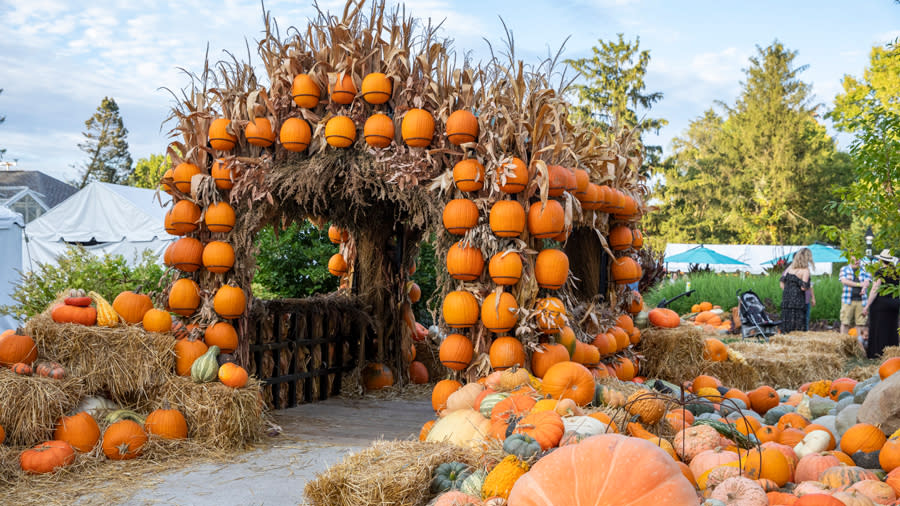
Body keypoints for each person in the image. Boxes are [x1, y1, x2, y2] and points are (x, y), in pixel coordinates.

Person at [863, 249, 900, 359]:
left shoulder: (880, 272)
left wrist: (867, 305)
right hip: (895, 303)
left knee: (878, 328)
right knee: (892, 328)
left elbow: (875, 289)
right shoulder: (897, 273)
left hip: (881, 304)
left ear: (880, 260)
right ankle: (891, 353)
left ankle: (877, 353)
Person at [839, 255, 871, 348]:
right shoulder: (844, 269)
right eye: (855, 258)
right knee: (845, 323)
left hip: (862, 301)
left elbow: (868, 281)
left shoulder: (865, 269)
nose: (857, 260)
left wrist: (864, 287)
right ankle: (843, 346)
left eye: (858, 258)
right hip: (847, 300)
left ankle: (858, 347)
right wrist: (859, 284)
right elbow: (844, 281)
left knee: (860, 324)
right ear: (850, 259)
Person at [780, 248, 812, 333]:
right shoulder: (805, 271)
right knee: (798, 324)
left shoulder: (790, 268)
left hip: (787, 299)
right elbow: (803, 287)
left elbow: (782, 280)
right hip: (798, 300)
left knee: (787, 321)